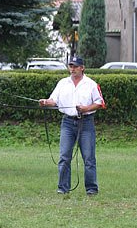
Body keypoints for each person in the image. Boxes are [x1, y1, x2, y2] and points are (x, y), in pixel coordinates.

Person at [39, 56, 105, 196]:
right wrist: (45, 102)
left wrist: (86, 108)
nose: (72, 69)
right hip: (68, 122)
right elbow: (54, 100)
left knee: (88, 158)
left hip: (86, 122)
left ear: (82, 68)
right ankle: (63, 188)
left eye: (75, 66)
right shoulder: (63, 83)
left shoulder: (91, 84)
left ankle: (91, 189)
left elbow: (100, 102)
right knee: (64, 156)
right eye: (71, 66)